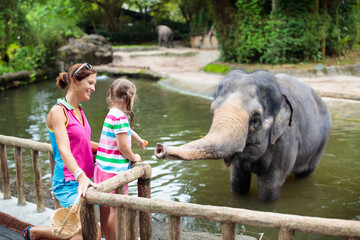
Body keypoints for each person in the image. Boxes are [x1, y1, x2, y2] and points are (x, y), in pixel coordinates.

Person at [23, 63, 101, 240]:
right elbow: (64, 149)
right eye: (90, 83)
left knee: (86, 230)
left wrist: (111, 148)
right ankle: (36, 232)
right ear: (74, 81)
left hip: (86, 180)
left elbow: (83, 143)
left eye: (94, 83)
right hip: (69, 181)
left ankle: (35, 233)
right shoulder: (58, 112)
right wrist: (80, 176)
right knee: (90, 230)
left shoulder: (79, 110)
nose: (93, 88)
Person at [94, 78, 147, 240]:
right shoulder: (121, 118)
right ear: (127, 99)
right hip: (114, 173)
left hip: (102, 168)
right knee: (115, 210)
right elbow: (123, 147)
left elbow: (127, 130)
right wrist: (134, 156)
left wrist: (138, 139)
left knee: (104, 205)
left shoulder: (113, 114)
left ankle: (106, 236)